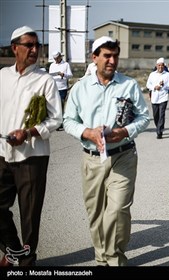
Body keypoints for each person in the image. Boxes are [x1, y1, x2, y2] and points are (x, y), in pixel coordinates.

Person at [63, 36, 150, 266]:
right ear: (95, 58)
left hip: (123, 155)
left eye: (115, 56)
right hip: (92, 159)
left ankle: (115, 258)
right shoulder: (80, 88)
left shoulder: (128, 85)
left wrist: (125, 131)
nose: (112, 61)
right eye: (107, 56)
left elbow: (144, 117)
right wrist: (87, 132)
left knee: (118, 210)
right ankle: (102, 260)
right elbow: (68, 121)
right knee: (97, 215)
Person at [0, 26, 63, 266]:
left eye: (37, 45)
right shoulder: (3, 76)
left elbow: (56, 119)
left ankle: (27, 264)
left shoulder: (44, 80)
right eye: (29, 45)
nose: (35, 50)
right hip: (2, 154)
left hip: (32, 156)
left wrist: (27, 132)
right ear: (15, 48)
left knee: (29, 217)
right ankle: (12, 250)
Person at [146, 57, 169, 139]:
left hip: (163, 97)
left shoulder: (167, 75)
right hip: (154, 98)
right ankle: (159, 127)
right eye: (159, 65)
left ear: (164, 66)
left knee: (162, 114)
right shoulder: (152, 74)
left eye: (162, 66)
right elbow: (148, 85)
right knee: (155, 115)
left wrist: (164, 85)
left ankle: (159, 131)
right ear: (156, 66)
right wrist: (154, 87)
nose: (160, 67)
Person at [49, 50, 73, 131]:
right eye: (54, 59)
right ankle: (57, 122)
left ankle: (61, 123)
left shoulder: (66, 64)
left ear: (60, 56)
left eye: (57, 58)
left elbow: (70, 75)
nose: (56, 60)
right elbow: (50, 76)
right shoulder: (52, 65)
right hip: (54, 87)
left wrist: (63, 75)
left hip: (62, 88)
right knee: (55, 105)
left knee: (61, 105)